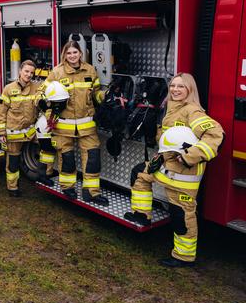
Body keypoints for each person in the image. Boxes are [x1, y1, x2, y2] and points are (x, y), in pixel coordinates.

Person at [125, 73, 224, 267]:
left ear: (190, 90)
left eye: (181, 87)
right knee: (139, 174)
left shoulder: (192, 111)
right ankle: (142, 215)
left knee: (181, 215)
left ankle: (184, 256)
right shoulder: (171, 108)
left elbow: (215, 135)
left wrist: (189, 156)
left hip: (183, 175)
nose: (175, 90)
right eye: (173, 86)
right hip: (166, 166)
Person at [41, 40, 109, 205]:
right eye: (69, 53)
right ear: (64, 54)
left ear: (80, 53)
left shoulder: (90, 70)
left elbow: (96, 93)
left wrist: (106, 96)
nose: (72, 56)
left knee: (93, 158)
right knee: (67, 158)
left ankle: (91, 192)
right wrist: (45, 103)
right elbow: (42, 92)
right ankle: (67, 187)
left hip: (87, 125)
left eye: (75, 52)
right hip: (63, 125)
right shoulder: (57, 72)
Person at [0, 60, 41, 196]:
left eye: (31, 73)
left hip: (31, 133)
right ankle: (13, 187)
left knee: (47, 149)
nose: (28, 75)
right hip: (13, 134)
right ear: (20, 71)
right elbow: (1, 112)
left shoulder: (37, 88)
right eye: (26, 71)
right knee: (13, 163)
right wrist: (1, 132)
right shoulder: (9, 89)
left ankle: (44, 175)